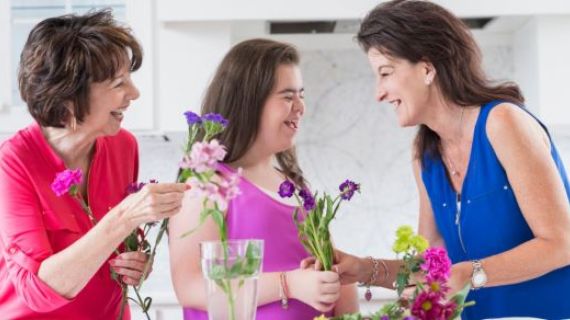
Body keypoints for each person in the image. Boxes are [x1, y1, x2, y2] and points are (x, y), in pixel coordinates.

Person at [320, 1, 570, 319]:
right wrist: (363, 269)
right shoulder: (425, 155)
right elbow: (432, 267)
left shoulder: (503, 123)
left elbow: (562, 242)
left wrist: (468, 273)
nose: (379, 93)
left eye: (385, 73)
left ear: (426, 68)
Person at [0, 10, 187, 319]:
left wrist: (137, 263)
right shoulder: (13, 163)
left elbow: (117, 249)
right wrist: (126, 216)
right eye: (118, 83)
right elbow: (36, 290)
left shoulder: (123, 145)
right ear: (70, 96)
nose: (134, 93)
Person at [169, 38, 358, 319]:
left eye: (301, 95)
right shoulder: (206, 185)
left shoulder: (294, 186)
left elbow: (329, 266)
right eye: (287, 96)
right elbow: (191, 286)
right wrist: (289, 284)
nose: (300, 107)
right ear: (249, 102)